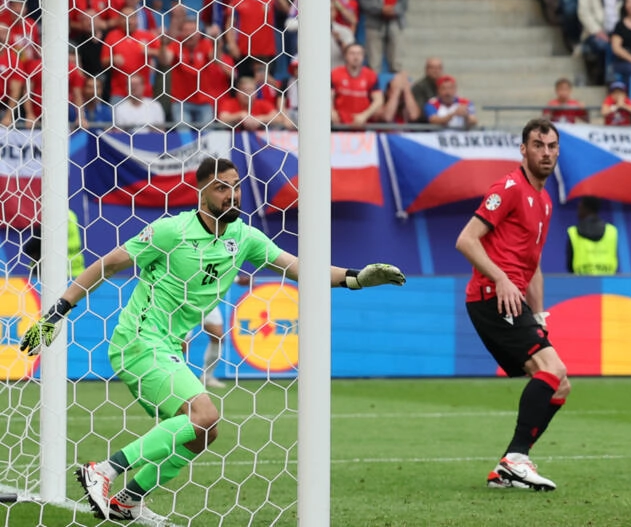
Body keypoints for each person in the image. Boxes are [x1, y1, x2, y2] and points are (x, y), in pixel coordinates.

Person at [19, 158, 405, 523]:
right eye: (222, 188)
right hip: (139, 342)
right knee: (203, 415)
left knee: (203, 432)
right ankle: (101, 471)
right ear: (200, 190)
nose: (232, 195)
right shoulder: (172, 231)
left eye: (236, 187)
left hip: (169, 349)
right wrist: (57, 312)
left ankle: (128, 501)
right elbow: (110, 263)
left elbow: (299, 267)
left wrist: (355, 278)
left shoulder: (244, 236)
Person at [456, 118, 567, 492]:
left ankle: (510, 464)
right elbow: (467, 240)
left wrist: (538, 315)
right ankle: (515, 460)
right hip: (492, 297)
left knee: (560, 384)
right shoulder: (509, 188)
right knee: (552, 369)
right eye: (538, 145)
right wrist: (501, 277)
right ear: (524, 149)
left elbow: (532, 267)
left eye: (552, 146)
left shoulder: (546, 201)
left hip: (515, 301)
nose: (546, 153)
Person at [566, 196, 618, 275]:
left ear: (584, 207)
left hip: (581, 285)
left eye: (580, 206)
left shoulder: (573, 232)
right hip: (607, 284)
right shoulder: (612, 231)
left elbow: (569, 266)